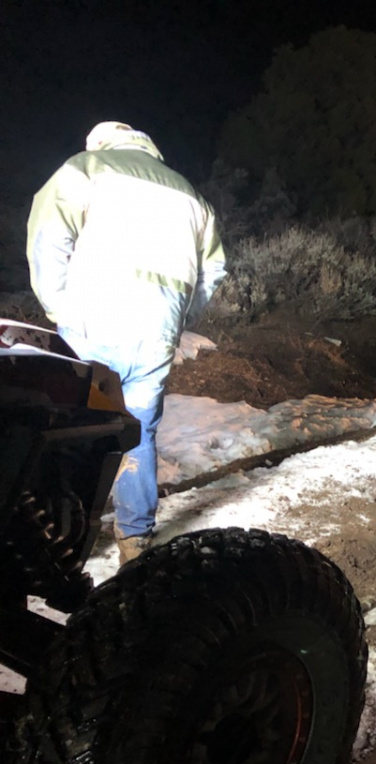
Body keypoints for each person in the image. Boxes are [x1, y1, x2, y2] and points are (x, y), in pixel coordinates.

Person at [26, 122, 226, 565]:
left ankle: (62, 543)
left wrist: (58, 307)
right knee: (138, 429)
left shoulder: (87, 168)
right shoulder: (190, 194)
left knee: (79, 427)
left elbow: (47, 239)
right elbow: (213, 271)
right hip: (155, 332)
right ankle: (135, 540)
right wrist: (179, 320)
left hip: (92, 323)